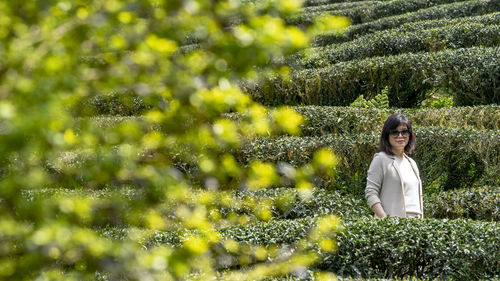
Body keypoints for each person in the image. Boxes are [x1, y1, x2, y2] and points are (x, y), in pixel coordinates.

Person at [365, 114, 423, 219]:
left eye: (404, 131)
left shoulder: (412, 163)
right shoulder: (380, 159)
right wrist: (386, 219)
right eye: (394, 132)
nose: (400, 136)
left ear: (410, 134)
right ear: (387, 135)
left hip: (416, 224)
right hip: (394, 226)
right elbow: (371, 193)